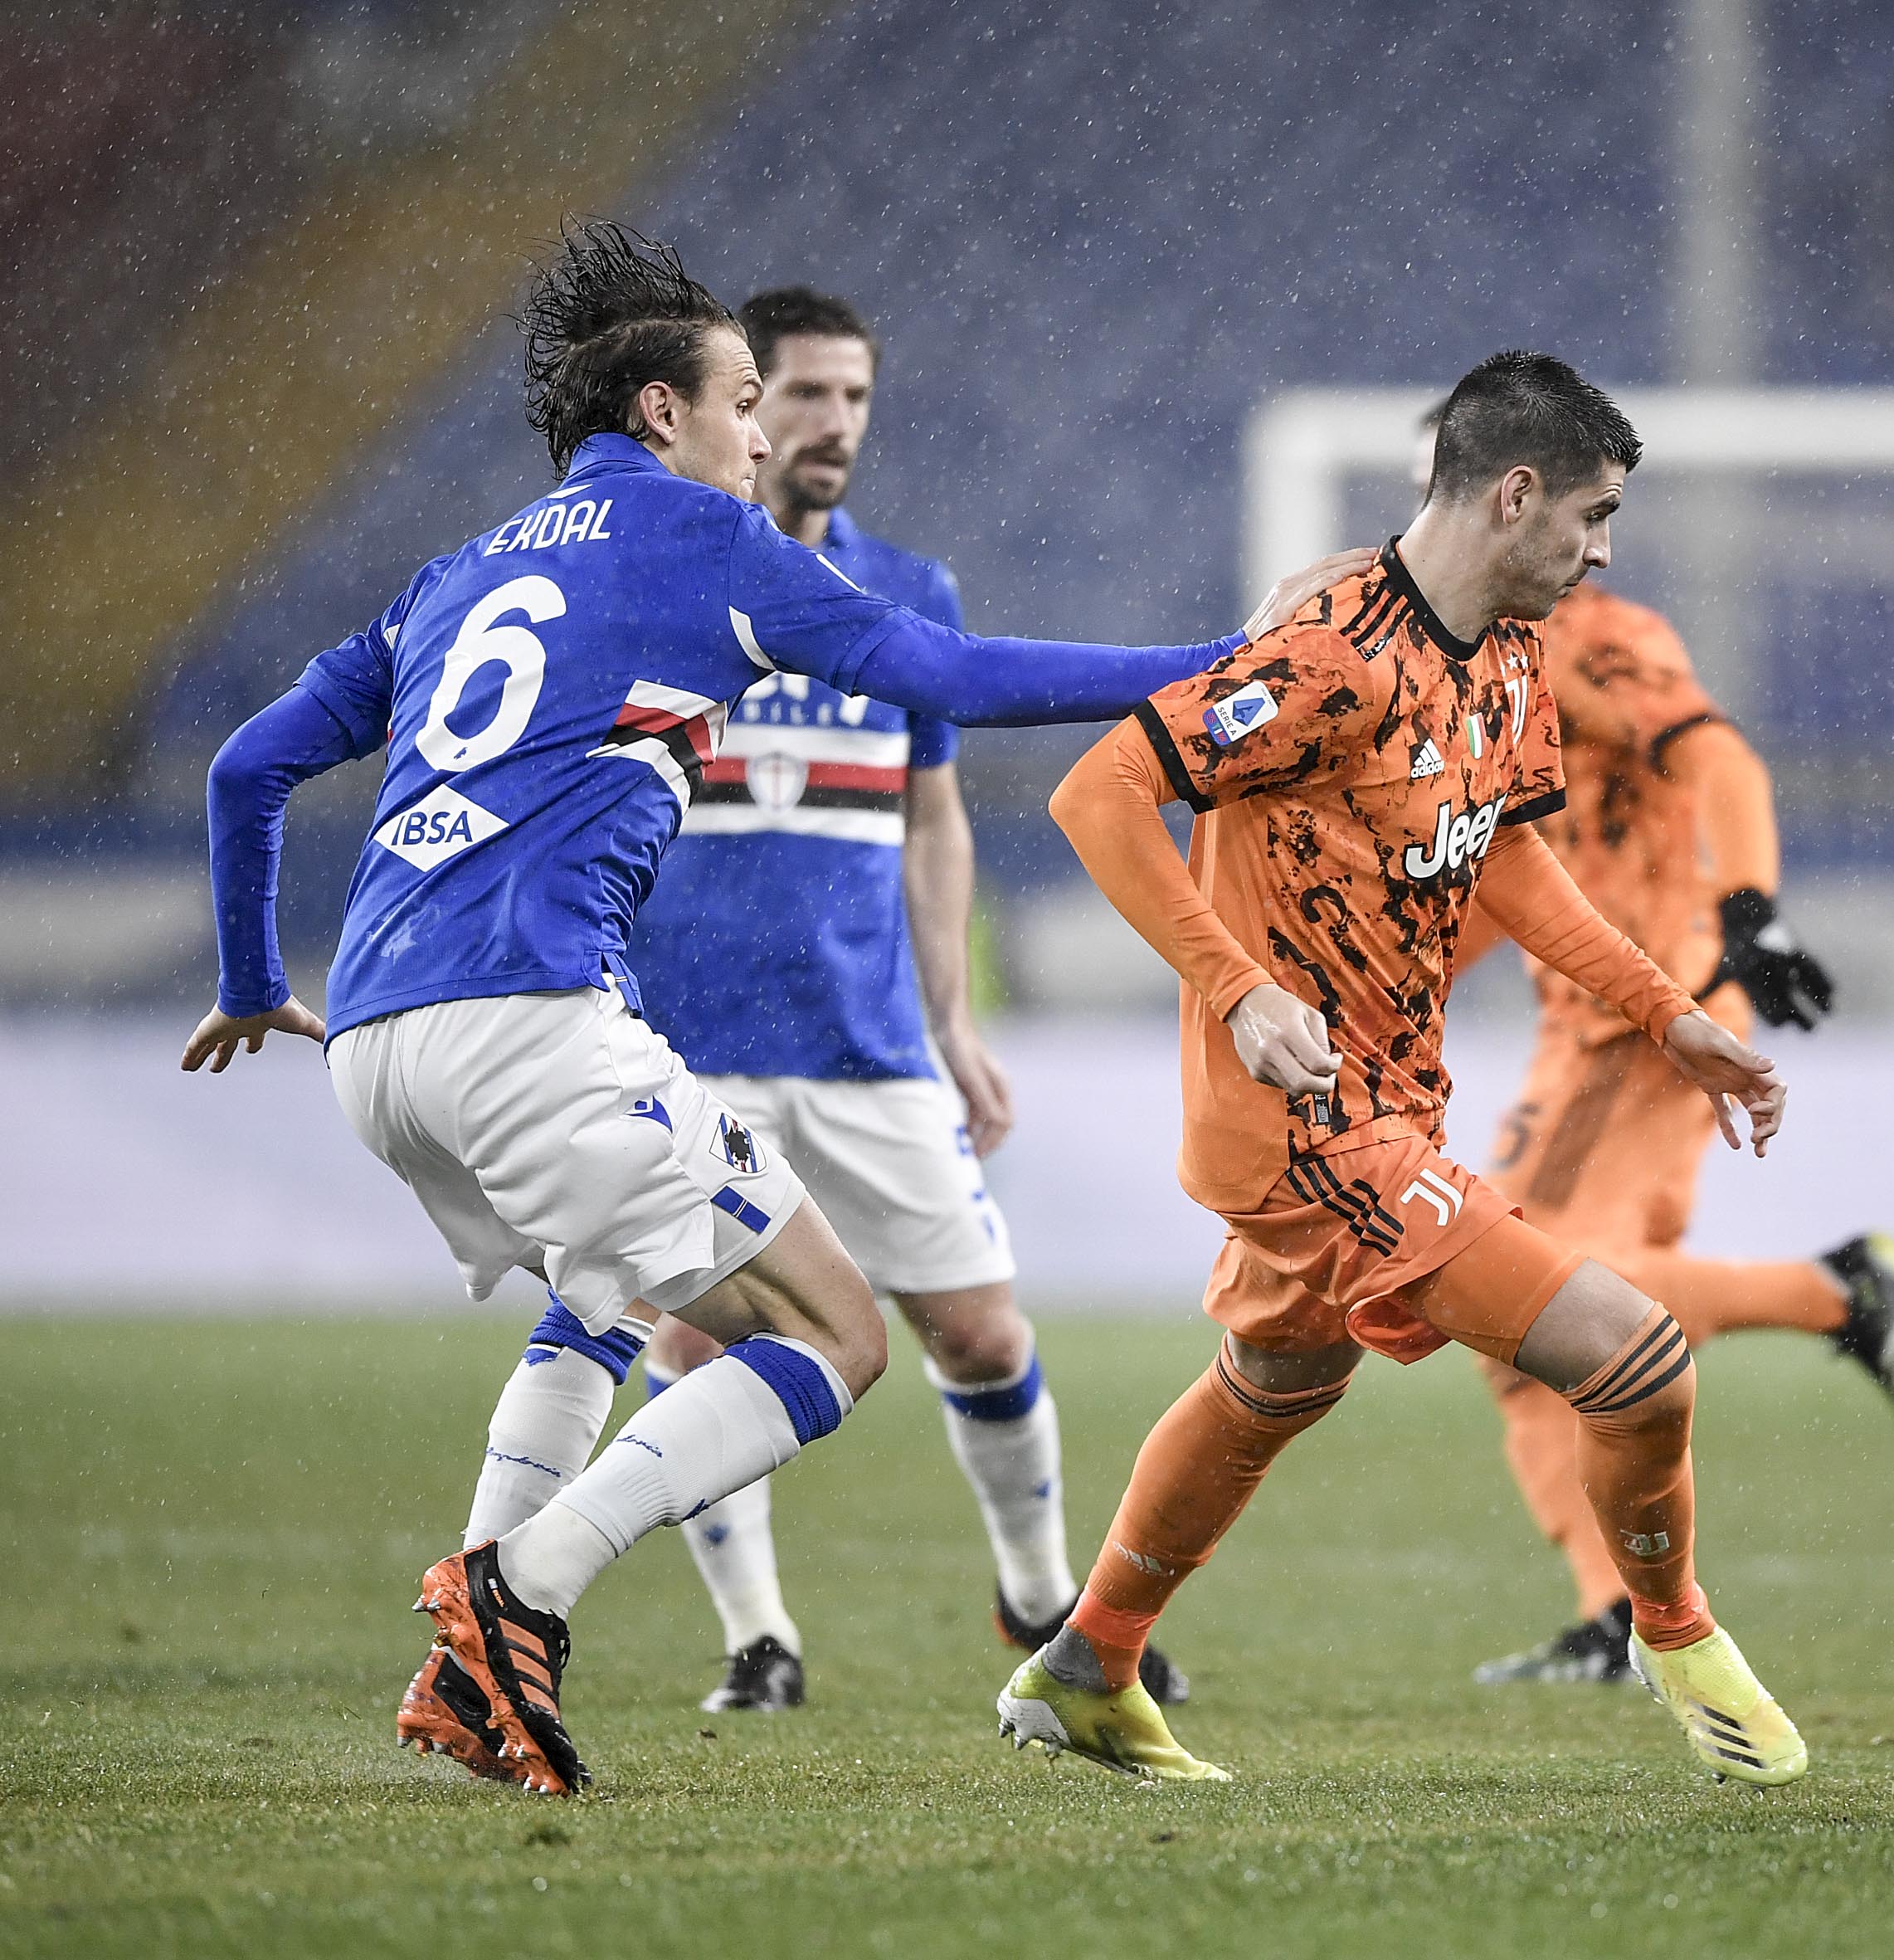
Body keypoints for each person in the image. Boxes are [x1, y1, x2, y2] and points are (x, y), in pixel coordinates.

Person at [182, 220, 1356, 1795]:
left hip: (377, 1038)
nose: (766, 430)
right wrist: (1238, 656)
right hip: (531, 1022)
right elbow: (957, 675)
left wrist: (260, 984)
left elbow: (245, 766)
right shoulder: (707, 542)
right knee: (837, 1330)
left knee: (599, 1294)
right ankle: (515, 1591)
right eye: (746, 396)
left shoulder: (456, 572)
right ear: (661, 414)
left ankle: (468, 1664)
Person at [995, 350, 1810, 1787]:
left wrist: (1667, 1008)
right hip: (1302, 1122)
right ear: (1515, 494)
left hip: (1392, 1093)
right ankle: (1666, 1626)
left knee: (1275, 1383)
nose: (1604, 549)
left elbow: (1508, 850)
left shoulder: (1506, 652)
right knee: (1636, 1361)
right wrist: (1238, 988)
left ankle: (1088, 1662)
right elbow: (1099, 790)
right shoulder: (1328, 651)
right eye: (1594, 514)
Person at [607, 285, 1181, 1714]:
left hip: (869, 1049)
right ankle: (760, 1639)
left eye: (856, 398)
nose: (831, 424)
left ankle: (1043, 1599)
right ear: (739, 406)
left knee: (982, 1333)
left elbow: (934, 823)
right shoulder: (671, 583)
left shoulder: (907, 595)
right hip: (700, 1051)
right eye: (802, 394)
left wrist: (957, 1020)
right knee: (696, 1336)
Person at [1401, 409, 1894, 1687]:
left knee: (1536, 1282)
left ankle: (1836, 1290)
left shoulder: (1595, 642)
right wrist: (1399, 977)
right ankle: (1618, 1624)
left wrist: (1752, 911)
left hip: (1649, 1010)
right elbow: (1500, 880)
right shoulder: (1477, 664)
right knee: (1543, 1323)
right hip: (1580, 1020)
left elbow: (1721, 758)